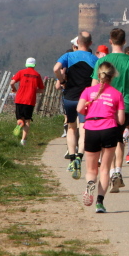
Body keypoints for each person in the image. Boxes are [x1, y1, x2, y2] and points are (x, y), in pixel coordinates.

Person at [91, 28, 129, 193]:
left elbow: (94, 85)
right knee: (119, 139)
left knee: (106, 141)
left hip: (105, 105)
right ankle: (117, 172)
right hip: (125, 104)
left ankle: (108, 173)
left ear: (110, 41)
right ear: (124, 41)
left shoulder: (103, 60)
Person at [77, 61, 125, 213]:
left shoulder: (88, 91)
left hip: (91, 128)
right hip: (109, 129)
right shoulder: (117, 94)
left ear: (98, 75)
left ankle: (90, 182)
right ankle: (99, 202)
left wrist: (88, 111)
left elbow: (79, 108)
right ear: (113, 76)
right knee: (105, 169)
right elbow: (121, 120)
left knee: (91, 169)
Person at [53, 31, 97, 179]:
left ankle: (72, 159)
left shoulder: (68, 56)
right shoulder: (95, 59)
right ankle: (79, 156)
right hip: (86, 99)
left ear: (77, 42)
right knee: (84, 128)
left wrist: (62, 80)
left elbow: (55, 69)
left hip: (70, 97)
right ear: (90, 43)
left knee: (71, 127)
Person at [10, 57, 45, 146]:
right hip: (30, 100)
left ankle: (20, 122)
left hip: (19, 99)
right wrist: (33, 90)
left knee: (19, 118)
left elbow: (12, 82)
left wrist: (14, 89)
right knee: (27, 121)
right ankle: (23, 140)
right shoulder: (37, 75)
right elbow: (42, 90)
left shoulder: (21, 72)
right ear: (34, 65)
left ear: (26, 64)